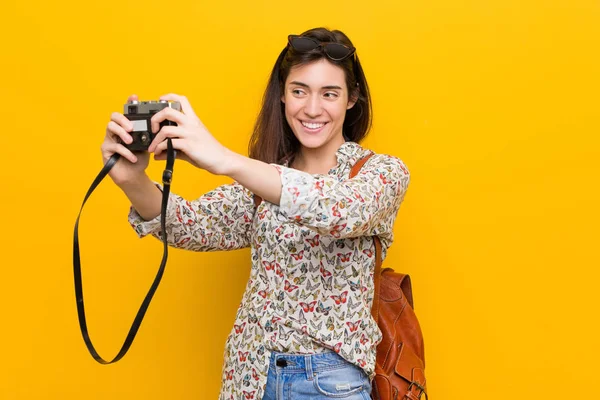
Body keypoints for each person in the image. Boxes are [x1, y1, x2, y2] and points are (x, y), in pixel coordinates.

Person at [101, 27, 410, 400]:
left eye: (329, 93)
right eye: (299, 91)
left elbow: (341, 210)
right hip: (248, 377)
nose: (312, 109)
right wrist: (132, 180)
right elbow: (193, 226)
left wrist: (224, 159)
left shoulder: (381, 174)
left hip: (328, 384)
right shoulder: (263, 180)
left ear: (352, 99)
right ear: (282, 95)